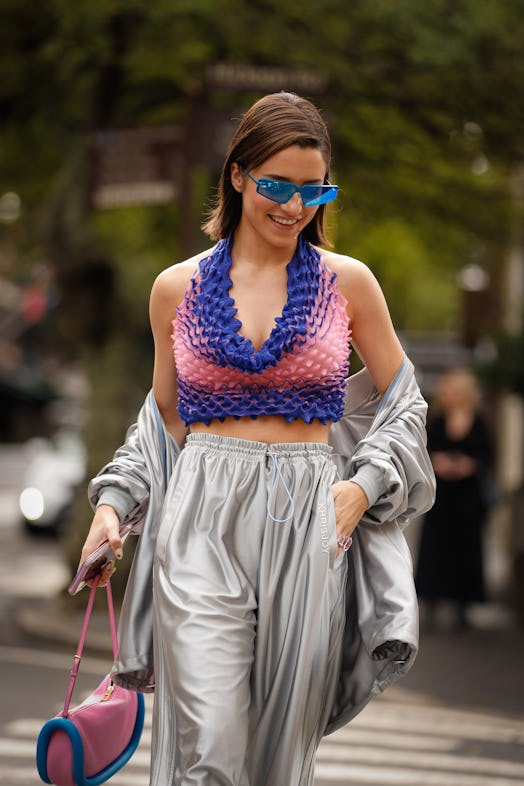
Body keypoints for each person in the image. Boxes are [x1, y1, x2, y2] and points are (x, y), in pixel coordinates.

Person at [80, 92, 435, 786]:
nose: (294, 206)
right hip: (200, 517)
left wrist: (358, 491)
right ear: (237, 175)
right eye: (277, 185)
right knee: (209, 746)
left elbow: (405, 402)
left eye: (312, 190)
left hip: (309, 518)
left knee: (277, 759)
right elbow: (162, 420)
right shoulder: (175, 289)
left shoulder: (349, 283)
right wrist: (113, 507)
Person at [415, 367, 495, 630]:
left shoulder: (480, 422)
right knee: (435, 549)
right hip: (442, 498)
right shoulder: (437, 422)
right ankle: (431, 603)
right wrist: (439, 463)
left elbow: (488, 457)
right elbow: (424, 453)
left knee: (466, 551)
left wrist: (469, 465)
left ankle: (463, 607)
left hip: (468, 500)